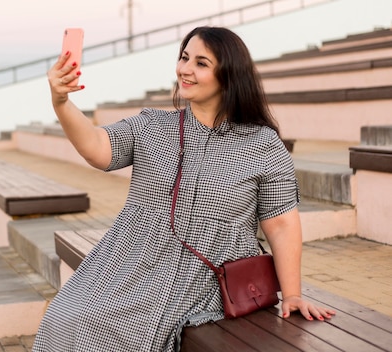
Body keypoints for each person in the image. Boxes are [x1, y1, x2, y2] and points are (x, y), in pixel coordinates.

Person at [32, 26, 336, 352]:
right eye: (184, 57)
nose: (185, 69)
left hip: (204, 276)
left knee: (108, 328)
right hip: (132, 263)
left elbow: (282, 225)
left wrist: (291, 295)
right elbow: (96, 146)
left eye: (201, 63)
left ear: (229, 76)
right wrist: (61, 101)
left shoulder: (263, 144)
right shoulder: (152, 125)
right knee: (66, 318)